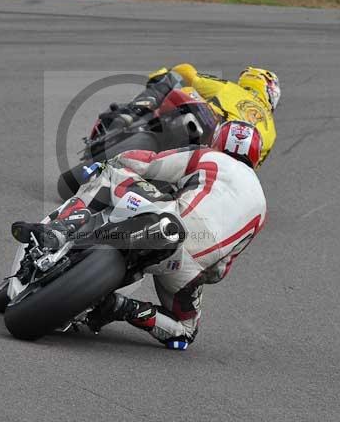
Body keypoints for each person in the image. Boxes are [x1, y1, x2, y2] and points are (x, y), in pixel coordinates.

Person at [19, 120, 268, 350]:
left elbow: (149, 162)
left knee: (112, 171)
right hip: (188, 268)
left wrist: (112, 161)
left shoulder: (209, 155)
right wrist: (194, 273)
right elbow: (221, 269)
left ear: (218, 140)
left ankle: (60, 230)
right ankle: (123, 307)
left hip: (170, 219)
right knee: (184, 332)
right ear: (256, 157)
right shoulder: (262, 206)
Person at [110, 63, 280, 167]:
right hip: (223, 162)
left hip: (207, 123)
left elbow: (189, 73)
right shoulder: (271, 131)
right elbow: (252, 165)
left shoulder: (231, 88)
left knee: (180, 86)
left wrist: (164, 74)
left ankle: (134, 112)